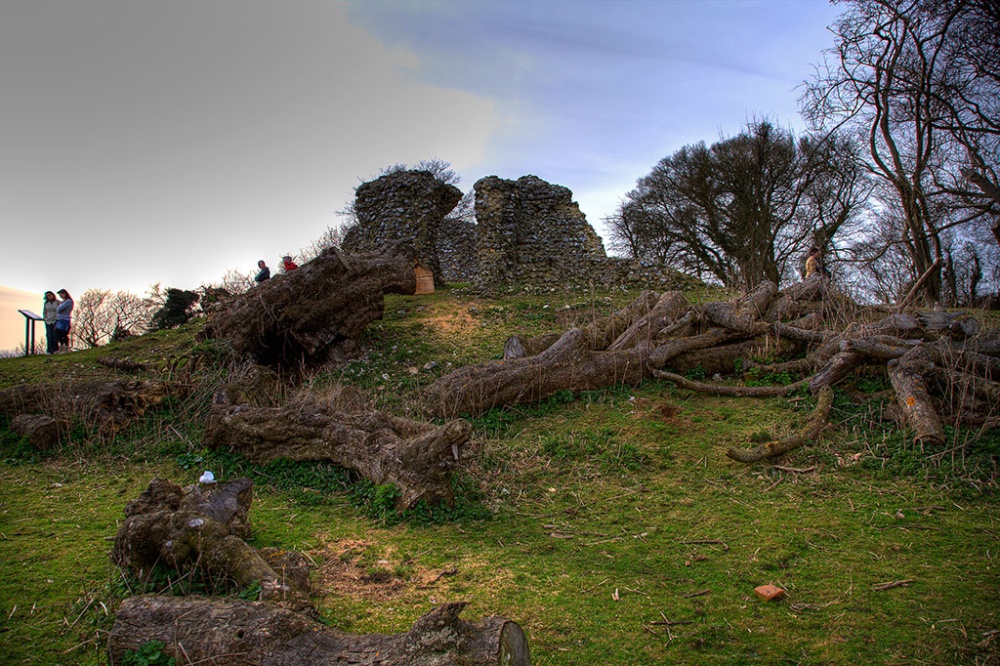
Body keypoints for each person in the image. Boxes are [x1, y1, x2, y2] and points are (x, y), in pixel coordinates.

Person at [55, 289, 74, 353]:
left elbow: (59, 309)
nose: (61, 297)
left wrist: (58, 308)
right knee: (58, 334)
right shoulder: (64, 301)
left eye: (61, 295)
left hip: (65, 320)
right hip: (60, 319)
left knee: (63, 334)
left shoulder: (68, 301)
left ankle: (65, 348)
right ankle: (61, 348)